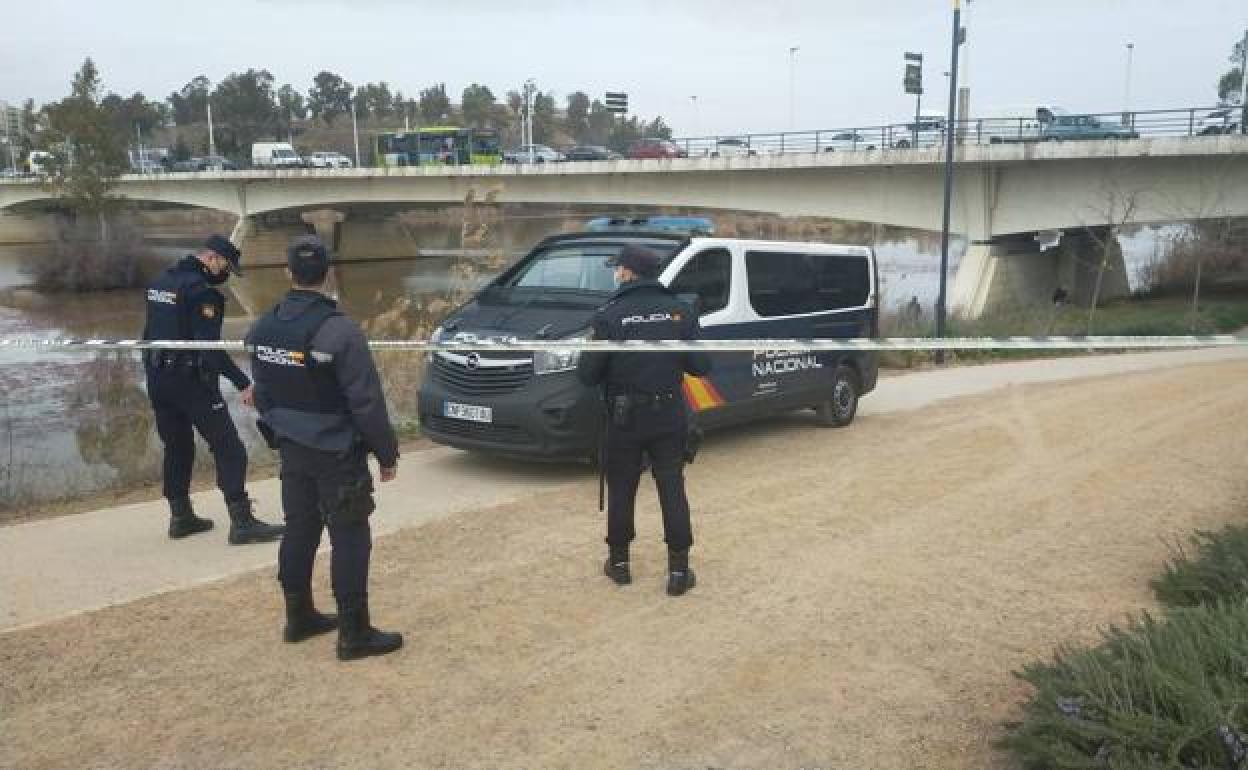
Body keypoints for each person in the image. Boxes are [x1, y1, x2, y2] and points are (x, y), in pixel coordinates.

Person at [247, 235, 403, 660]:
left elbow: (262, 392)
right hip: (337, 452)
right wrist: (386, 454)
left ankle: (298, 616)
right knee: (350, 534)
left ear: (287, 274)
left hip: (292, 448)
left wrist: (276, 421)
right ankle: (354, 633)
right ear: (330, 274)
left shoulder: (263, 326)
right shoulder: (340, 331)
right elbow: (366, 402)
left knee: (300, 527)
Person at [577, 244, 712, 597]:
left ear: (628, 273)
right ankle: (679, 573)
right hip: (668, 415)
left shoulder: (609, 315)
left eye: (617, 268)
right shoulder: (679, 312)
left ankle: (619, 566)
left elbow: (587, 375)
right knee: (672, 487)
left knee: (622, 488)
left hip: (625, 419)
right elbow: (701, 367)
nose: (615, 273)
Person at [141, 234, 285, 545]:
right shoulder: (202, 293)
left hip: (157, 378)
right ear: (213, 259)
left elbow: (147, 335)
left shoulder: (160, 282)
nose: (225, 276)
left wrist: (154, 374)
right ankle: (242, 522)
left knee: (177, 448)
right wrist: (243, 381)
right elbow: (209, 350)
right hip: (191, 382)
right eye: (226, 268)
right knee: (230, 448)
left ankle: (181, 518)